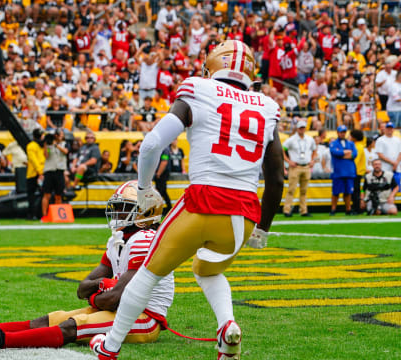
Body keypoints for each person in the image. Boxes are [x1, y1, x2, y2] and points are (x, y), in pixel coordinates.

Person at [90, 40, 284, 360]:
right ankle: (226, 326)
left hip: (203, 199)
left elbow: (152, 144)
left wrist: (143, 188)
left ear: (212, 67)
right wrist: (263, 228)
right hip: (245, 213)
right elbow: (276, 178)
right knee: (207, 270)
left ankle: (110, 345)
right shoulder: (266, 105)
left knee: (149, 273)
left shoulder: (198, 88)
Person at [0, 180, 173, 351]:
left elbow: (112, 299)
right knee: (53, 318)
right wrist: (101, 287)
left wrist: (97, 294)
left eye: (125, 207)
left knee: (71, 326)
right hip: (121, 309)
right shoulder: (118, 240)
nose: (118, 212)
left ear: (145, 212)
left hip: (144, 318)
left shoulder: (146, 241)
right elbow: (82, 289)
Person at [282, 120, 317, 217]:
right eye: (300, 128)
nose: (302, 129)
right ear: (297, 128)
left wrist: (312, 160)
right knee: (291, 189)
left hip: (306, 166)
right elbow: (282, 150)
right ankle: (287, 209)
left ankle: (304, 210)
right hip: (295, 166)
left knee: (304, 190)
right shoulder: (291, 139)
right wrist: (289, 161)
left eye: (303, 128)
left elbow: (314, 150)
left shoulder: (310, 139)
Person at [329, 125, 357, 215]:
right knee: (336, 192)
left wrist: (342, 154)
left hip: (349, 171)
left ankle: (348, 209)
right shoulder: (334, 143)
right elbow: (334, 152)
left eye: (344, 132)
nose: (343, 134)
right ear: (337, 133)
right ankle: (333, 209)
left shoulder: (351, 143)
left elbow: (355, 154)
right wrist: (345, 152)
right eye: (341, 132)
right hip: (338, 171)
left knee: (348, 192)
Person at [41, 128, 68, 219]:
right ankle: (44, 215)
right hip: (49, 170)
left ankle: (58, 215)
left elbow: (65, 152)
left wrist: (55, 145)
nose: (57, 137)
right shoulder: (49, 145)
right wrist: (46, 145)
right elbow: (46, 156)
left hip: (59, 171)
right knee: (47, 194)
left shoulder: (65, 144)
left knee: (58, 194)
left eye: (59, 135)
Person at [375, 122, 401, 189]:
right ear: (385, 129)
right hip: (385, 168)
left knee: (397, 188)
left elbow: (400, 153)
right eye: (388, 128)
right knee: (385, 189)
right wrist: (393, 163)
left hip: (397, 168)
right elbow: (380, 154)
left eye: (391, 128)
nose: (389, 130)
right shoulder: (380, 140)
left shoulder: (397, 140)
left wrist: (396, 163)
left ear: (393, 129)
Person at [26, 128, 45, 220]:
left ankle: (40, 213)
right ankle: (32, 214)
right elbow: (34, 160)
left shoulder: (43, 146)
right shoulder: (31, 146)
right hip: (34, 174)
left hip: (42, 172)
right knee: (32, 196)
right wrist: (40, 172)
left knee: (43, 195)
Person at [351, 130, 367, 214]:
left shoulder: (358, 147)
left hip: (356, 172)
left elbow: (355, 160)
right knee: (355, 190)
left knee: (355, 191)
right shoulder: (359, 146)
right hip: (357, 171)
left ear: (354, 137)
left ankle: (357, 208)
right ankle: (356, 207)